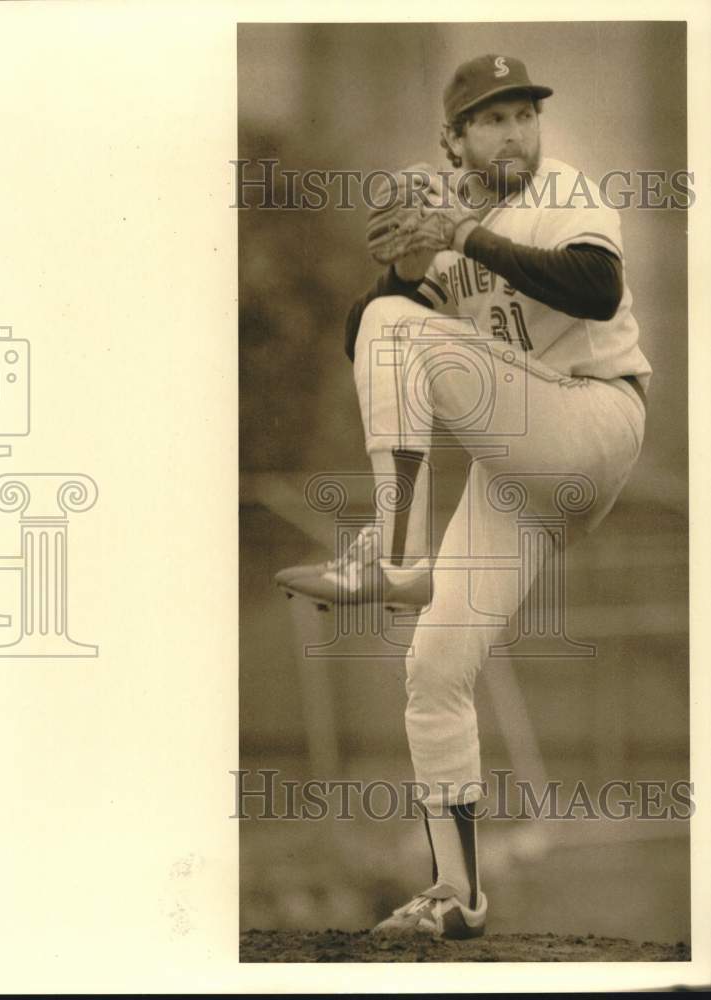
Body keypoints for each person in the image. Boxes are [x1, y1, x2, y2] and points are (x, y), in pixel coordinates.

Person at [276, 53, 651, 939]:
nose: (516, 131)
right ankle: (456, 895)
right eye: (491, 118)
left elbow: (595, 291)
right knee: (434, 667)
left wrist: (463, 241)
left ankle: (395, 556)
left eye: (524, 112)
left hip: (593, 422)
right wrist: (402, 273)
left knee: (397, 332)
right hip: (520, 462)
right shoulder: (448, 216)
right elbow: (363, 335)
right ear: (453, 139)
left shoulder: (563, 188)